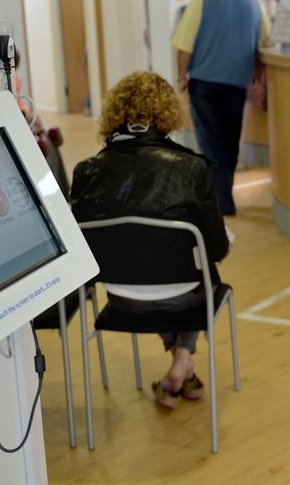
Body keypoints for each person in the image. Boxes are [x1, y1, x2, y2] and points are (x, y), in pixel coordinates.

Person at [70, 71, 230, 409]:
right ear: (168, 114)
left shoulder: (86, 171)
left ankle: (182, 370)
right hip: (184, 300)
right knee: (191, 271)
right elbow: (217, 250)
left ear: (115, 113)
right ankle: (182, 365)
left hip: (120, 299)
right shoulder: (190, 167)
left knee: (153, 260)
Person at [172, 0, 271, 216]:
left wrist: (182, 77)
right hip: (237, 85)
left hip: (205, 84)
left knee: (210, 142)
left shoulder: (200, 1)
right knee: (229, 142)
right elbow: (266, 40)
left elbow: (184, 44)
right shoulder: (254, 6)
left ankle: (222, 201)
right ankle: (223, 196)